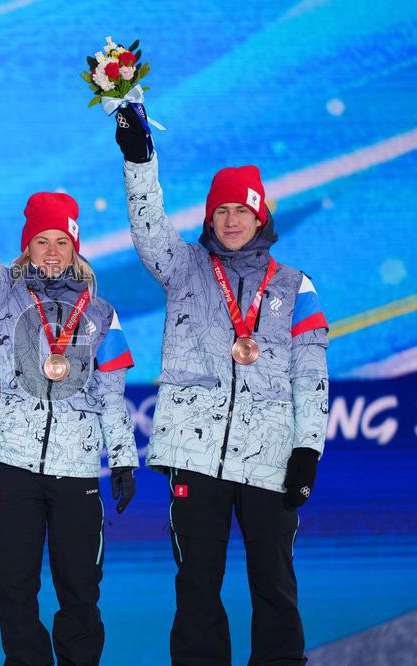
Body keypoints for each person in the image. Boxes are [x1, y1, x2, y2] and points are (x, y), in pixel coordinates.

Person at [114, 104, 330, 665]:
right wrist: (139, 159)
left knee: (275, 589)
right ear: (209, 218)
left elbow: (311, 374)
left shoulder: (295, 286)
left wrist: (306, 452)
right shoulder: (183, 268)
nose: (232, 220)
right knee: (196, 591)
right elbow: (147, 225)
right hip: (195, 457)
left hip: (270, 461)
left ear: (261, 218)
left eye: (243, 210)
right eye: (222, 211)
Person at [0, 115, 139, 665]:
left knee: (81, 593)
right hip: (12, 463)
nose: (52, 252)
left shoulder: (101, 313)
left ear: (76, 249)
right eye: (41, 241)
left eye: (61, 242)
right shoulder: (1, 293)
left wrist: (121, 460)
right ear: (26, 248)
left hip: (77, 468)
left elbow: (112, 394)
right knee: (15, 592)